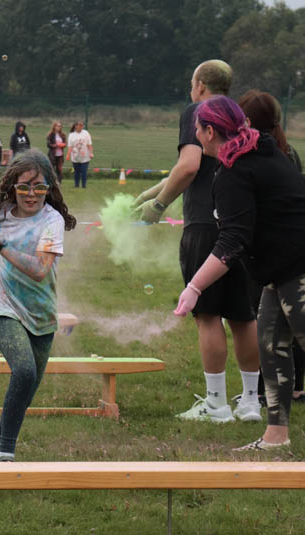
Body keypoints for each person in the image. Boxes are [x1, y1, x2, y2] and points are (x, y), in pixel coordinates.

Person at [175, 95, 305, 450]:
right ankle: (275, 438)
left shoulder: (236, 170)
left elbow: (233, 240)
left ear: (209, 131)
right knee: (271, 348)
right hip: (277, 273)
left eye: (197, 129)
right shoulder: (258, 154)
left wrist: (195, 287)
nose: (195, 134)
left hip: (298, 271)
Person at [134, 60, 260, 423]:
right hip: (238, 224)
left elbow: (189, 166)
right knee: (242, 315)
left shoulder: (196, 111)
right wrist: (155, 189)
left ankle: (217, 404)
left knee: (207, 315)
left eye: (192, 82)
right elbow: (196, 167)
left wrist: (158, 206)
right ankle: (250, 402)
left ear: (201, 84)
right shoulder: (234, 113)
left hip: (204, 226)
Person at [0, 149, 76, 462]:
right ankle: (6, 453)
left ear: (50, 188)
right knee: (24, 371)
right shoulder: (0, 213)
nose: (31, 194)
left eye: (40, 187)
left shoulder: (51, 221)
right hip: (3, 311)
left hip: (42, 316)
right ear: (12, 186)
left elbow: (41, 270)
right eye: (24, 187)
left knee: (28, 387)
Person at [238, 89, 305, 405]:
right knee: (286, 326)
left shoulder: (261, 157)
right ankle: (288, 389)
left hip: (270, 252)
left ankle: (272, 390)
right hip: (285, 251)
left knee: (274, 324)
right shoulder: (287, 152)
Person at [66, 120, 93, 188]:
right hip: (75, 157)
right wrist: (68, 154)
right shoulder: (71, 135)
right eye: (80, 125)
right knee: (76, 172)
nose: (81, 126)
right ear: (76, 126)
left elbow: (89, 144)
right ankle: (76, 185)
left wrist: (91, 153)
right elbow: (70, 146)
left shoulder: (86, 133)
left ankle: (84, 186)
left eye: (82, 125)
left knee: (84, 172)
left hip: (85, 157)